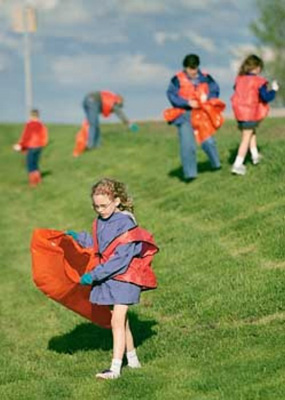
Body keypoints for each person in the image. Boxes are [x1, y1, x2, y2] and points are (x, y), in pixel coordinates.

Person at [66, 178, 158, 379]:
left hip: (126, 277)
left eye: (104, 206)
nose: (100, 210)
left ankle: (114, 369)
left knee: (116, 320)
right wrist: (78, 238)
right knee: (121, 322)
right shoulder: (100, 221)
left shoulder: (125, 223)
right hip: (110, 278)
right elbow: (100, 245)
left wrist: (93, 276)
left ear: (116, 201)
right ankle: (133, 361)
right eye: (96, 206)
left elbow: (120, 260)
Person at [165, 54, 222, 182]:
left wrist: (208, 99)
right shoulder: (176, 79)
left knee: (209, 141)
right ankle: (190, 175)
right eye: (190, 69)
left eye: (195, 68)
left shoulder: (206, 78)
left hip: (203, 114)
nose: (193, 71)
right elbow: (171, 95)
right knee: (188, 145)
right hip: (184, 115)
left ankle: (216, 165)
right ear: (185, 68)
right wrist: (186, 102)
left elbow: (215, 89)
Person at [231, 54, 279, 175]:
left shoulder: (239, 79)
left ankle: (255, 156)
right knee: (246, 138)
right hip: (250, 113)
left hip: (239, 113)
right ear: (257, 68)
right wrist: (274, 90)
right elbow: (266, 97)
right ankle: (238, 164)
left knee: (251, 133)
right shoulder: (259, 81)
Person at [13, 109, 49, 186]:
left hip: (31, 146)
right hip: (39, 147)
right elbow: (45, 136)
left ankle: (33, 181)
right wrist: (43, 144)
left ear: (31, 116)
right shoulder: (41, 125)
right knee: (35, 163)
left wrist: (20, 145)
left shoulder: (29, 125)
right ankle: (38, 179)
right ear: (38, 116)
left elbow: (26, 136)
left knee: (30, 164)